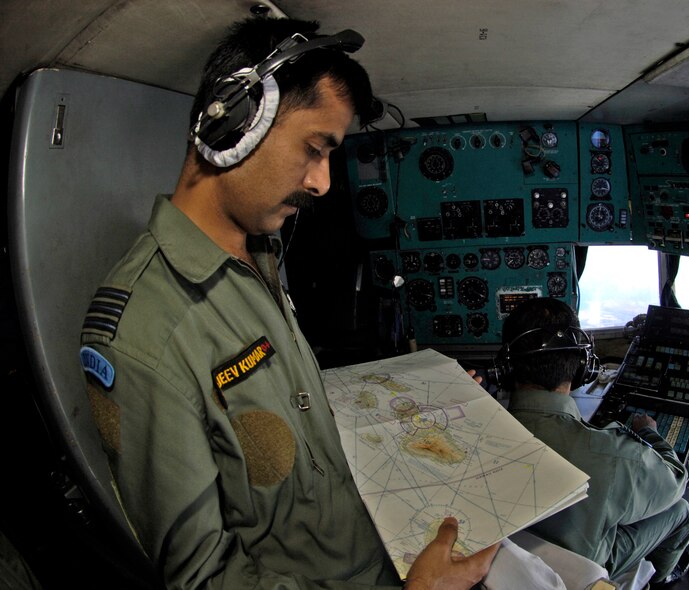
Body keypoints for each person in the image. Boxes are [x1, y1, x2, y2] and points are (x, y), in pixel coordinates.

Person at [78, 16, 496, 589]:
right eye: (314, 148)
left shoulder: (262, 255)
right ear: (234, 123)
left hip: (382, 547)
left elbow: (299, 413)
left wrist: (430, 406)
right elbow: (202, 580)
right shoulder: (144, 332)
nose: (322, 182)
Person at [499, 297, 689, 585]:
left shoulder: (473, 431)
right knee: (681, 511)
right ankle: (661, 582)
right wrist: (649, 432)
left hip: (506, 564)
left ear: (505, 367)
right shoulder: (612, 455)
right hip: (579, 574)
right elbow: (676, 481)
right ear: (582, 368)